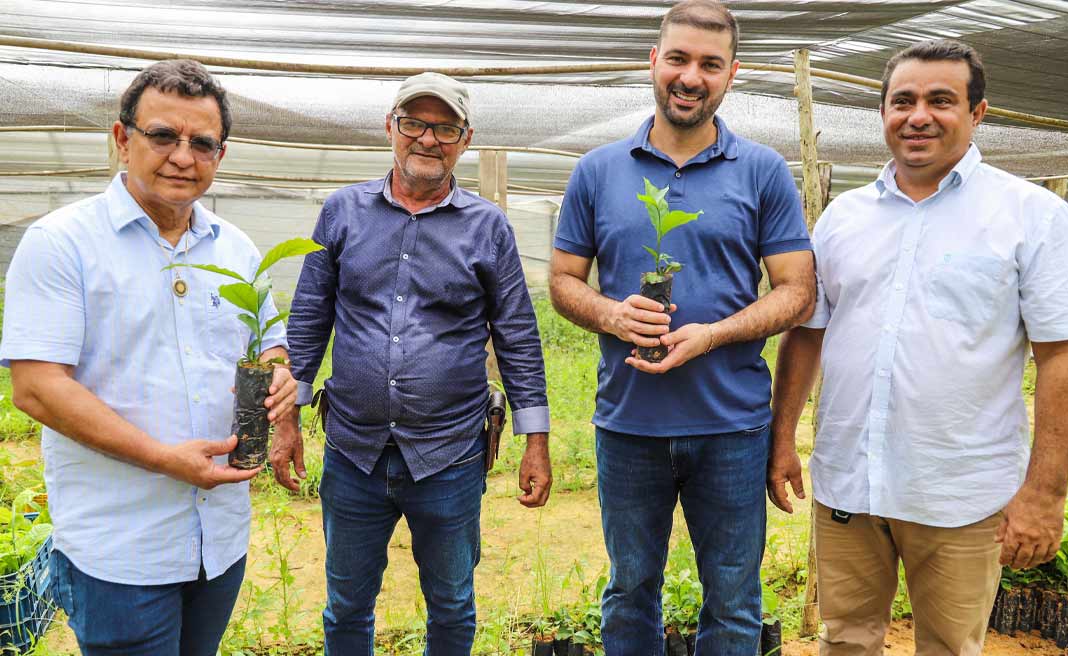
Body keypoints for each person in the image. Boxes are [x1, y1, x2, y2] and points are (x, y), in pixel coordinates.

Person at [769, 39, 1068, 655]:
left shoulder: (1031, 216)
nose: (919, 116)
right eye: (902, 100)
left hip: (961, 491)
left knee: (949, 645)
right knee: (846, 640)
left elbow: (1064, 356)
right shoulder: (843, 217)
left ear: (978, 112)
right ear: (882, 112)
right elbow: (806, 335)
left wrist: (1044, 494)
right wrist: (781, 442)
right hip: (849, 484)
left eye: (941, 100)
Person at [0, 59, 297, 656]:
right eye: (163, 135)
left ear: (221, 153)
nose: (183, 156)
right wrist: (164, 458)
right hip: (121, 549)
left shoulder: (235, 248)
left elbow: (269, 341)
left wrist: (282, 375)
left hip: (219, 539)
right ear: (122, 138)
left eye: (202, 142)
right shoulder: (63, 242)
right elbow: (35, 386)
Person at [548, 1, 815, 652]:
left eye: (710, 64)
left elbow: (798, 292)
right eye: (678, 58)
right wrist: (610, 312)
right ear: (653, 62)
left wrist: (715, 334)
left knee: (732, 599)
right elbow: (561, 280)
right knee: (630, 589)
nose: (691, 76)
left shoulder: (762, 171)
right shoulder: (598, 171)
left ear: (731, 74)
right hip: (629, 426)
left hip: (733, 429)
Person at [272, 71, 552, 654]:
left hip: (450, 454)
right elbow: (308, 318)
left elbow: (518, 334)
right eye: (414, 124)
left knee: (451, 605)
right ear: (391, 129)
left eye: (444, 127)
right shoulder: (343, 211)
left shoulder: (488, 227)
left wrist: (536, 439)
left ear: (465, 139)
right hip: (354, 451)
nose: (428, 139)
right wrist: (287, 419)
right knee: (347, 605)